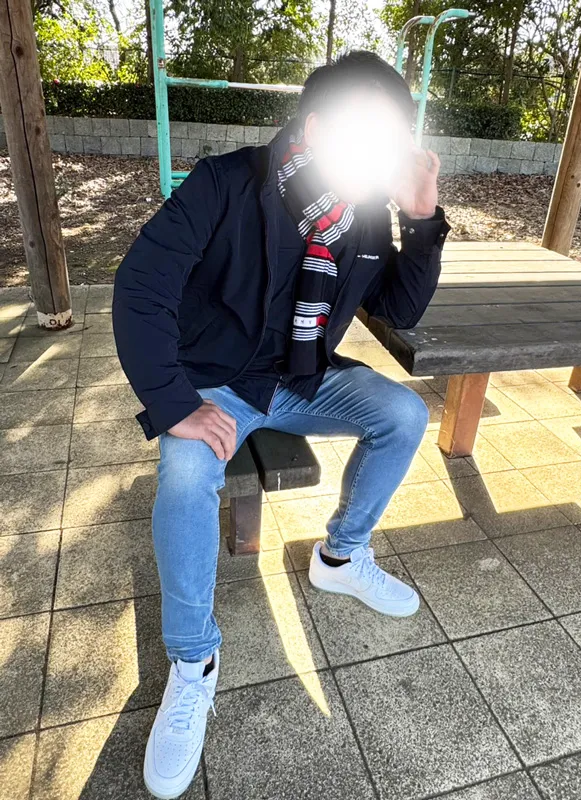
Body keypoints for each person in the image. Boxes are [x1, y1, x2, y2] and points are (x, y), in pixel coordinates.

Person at [113, 49, 450, 799]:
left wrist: (422, 221)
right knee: (187, 474)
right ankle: (194, 659)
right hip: (217, 383)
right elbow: (140, 288)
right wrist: (174, 402)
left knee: (402, 412)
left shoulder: (365, 208)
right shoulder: (225, 184)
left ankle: (341, 556)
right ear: (316, 126)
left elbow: (397, 308)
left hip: (302, 378)